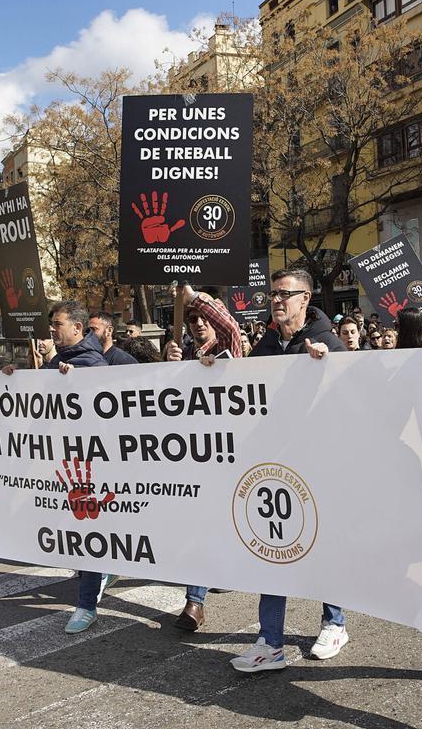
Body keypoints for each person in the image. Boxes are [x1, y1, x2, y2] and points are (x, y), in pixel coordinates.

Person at [231, 268, 347, 672]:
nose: (276, 300)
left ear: (305, 298)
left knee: (322, 546)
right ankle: (271, 641)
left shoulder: (329, 344)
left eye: (285, 294)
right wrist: (208, 371)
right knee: (272, 549)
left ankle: (335, 621)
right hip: (274, 468)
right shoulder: (263, 348)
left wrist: (328, 368)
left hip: (319, 466)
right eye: (273, 294)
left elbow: (351, 401)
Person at [4, 301, 111, 632]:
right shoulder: (61, 362)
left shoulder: (91, 363)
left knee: (88, 532)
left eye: (57, 324)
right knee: (85, 533)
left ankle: (86, 604)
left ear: (77, 329)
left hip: (92, 465)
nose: (52, 329)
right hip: (68, 463)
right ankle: (97, 579)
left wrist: (77, 385)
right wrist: (15, 378)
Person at [163, 284, 243, 632]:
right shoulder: (183, 357)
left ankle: (221, 572)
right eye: (191, 318)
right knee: (201, 524)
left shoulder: (228, 348)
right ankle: (195, 603)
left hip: (231, 454)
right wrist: (168, 368)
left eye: (202, 318)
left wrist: (191, 297)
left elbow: (229, 328)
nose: (197, 323)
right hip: (194, 457)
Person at [165, 284, 243, 364]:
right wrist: (172, 365)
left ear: (213, 319)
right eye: (193, 319)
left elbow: (230, 329)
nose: (199, 323)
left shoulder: (222, 347)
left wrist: (192, 296)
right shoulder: (183, 353)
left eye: (204, 317)